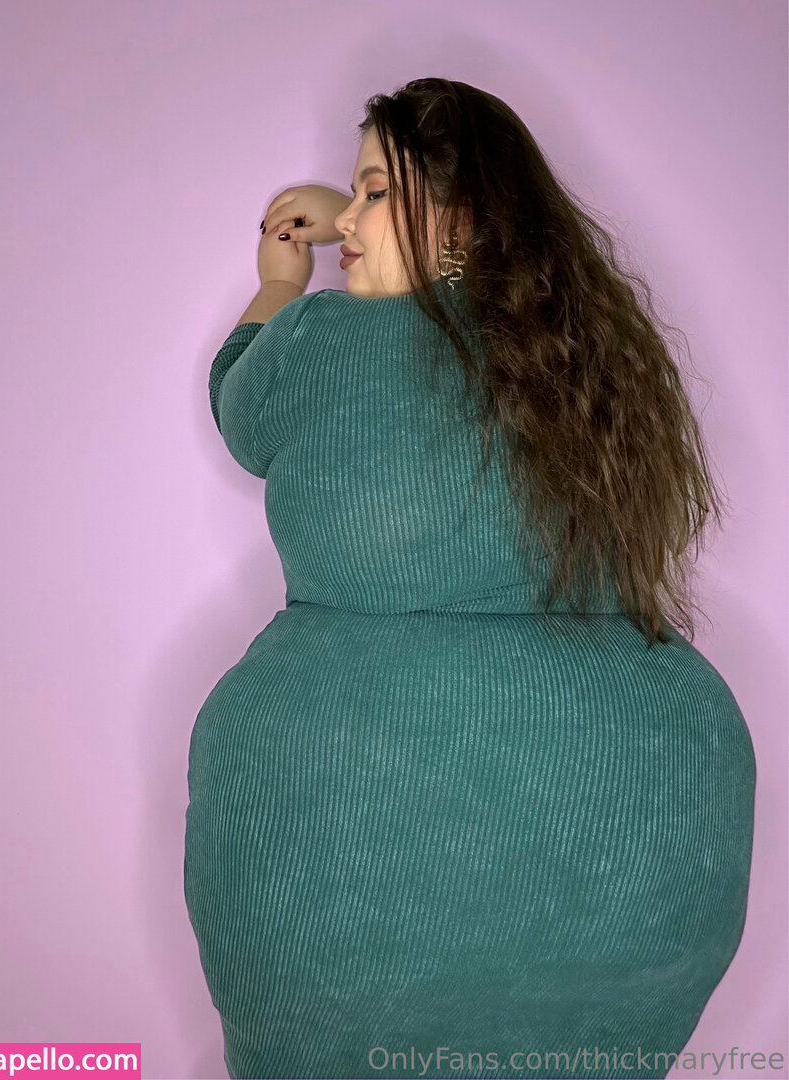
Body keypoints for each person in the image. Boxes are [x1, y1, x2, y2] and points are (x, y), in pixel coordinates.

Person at [184, 78, 756, 1080]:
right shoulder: (583, 349)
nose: (347, 222)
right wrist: (359, 212)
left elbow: (239, 404)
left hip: (339, 779)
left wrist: (279, 283)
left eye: (372, 194)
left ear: (466, 223)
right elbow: (436, 290)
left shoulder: (314, 339)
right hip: (634, 778)